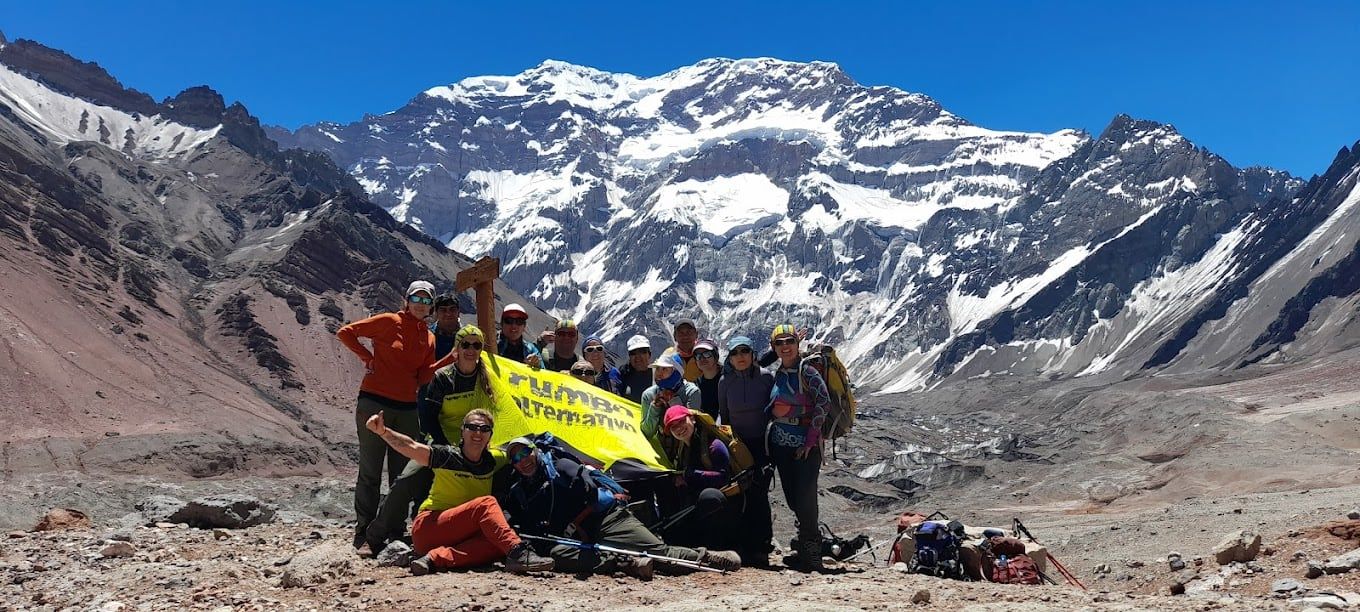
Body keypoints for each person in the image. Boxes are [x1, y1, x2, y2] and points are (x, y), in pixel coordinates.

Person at [494, 436, 741, 578]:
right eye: (515, 458)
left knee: (658, 551)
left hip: (608, 518)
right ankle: (626, 563)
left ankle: (707, 557)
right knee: (557, 555)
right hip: (576, 537)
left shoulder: (559, 466)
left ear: (535, 451)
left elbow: (579, 474)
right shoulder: (520, 493)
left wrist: (586, 482)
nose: (522, 460)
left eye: (525, 452)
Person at [336, 280, 455, 551]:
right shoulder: (389, 321)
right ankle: (364, 529)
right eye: (417, 298)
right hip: (374, 403)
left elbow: (423, 376)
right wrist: (368, 358)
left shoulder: (429, 337)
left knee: (401, 474)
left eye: (426, 301)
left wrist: (448, 360)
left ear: (431, 307)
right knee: (371, 469)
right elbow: (346, 332)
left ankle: (394, 527)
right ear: (407, 299)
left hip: (406, 408)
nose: (421, 304)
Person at [362, 408, 554, 575]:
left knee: (498, 542)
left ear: (490, 435)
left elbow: (520, 453)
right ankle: (519, 553)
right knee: (486, 504)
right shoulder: (445, 456)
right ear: (462, 431)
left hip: (461, 535)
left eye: (484, 429)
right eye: (472, 427)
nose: (478, 432)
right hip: (429, 527)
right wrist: (384, 432)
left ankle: (435, 558)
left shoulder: (494, 460)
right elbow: (412, 447)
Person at [366, 324, 490, 552]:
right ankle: (375, 536)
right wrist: (449, 449)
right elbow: (429, 418)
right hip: (444, 444)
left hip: (479, 445)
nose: (470, 350)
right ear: (457, 347)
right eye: (465, 344)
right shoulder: (443, 378)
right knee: (407, 479)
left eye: (476, 345)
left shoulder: (489, 379)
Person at [766, 324, 830, 572]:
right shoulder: (779, 372)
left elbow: (823, 402)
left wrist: (810, 440)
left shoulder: (808, 371)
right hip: (781, 444)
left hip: (806, 446)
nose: (785, 346)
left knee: (805, 499)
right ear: (774, 348)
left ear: (797, 343)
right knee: (793, 497)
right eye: (779, 343)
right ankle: (804, 547)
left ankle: (812, 554)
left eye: (789, 341)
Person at [716, 335, 776, 566]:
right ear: (729, 358)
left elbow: (773, 409)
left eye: (744, 352)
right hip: (738, 445)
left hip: (762, 443)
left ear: (752, 355)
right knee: (739, 493)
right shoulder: (725, 382)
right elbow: (725, 414)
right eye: (735, 353)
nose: (740, 357)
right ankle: (743, 544)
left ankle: (761, 547)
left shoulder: (765, 378)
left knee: (759, 494)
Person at [639, 348, 702, 441]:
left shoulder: (691, 392)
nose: (659, 373)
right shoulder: (649, 395)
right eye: (657, 369)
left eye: (664, 369)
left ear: (676, 372)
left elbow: (690, 428)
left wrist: (673, 401)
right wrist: (654, 407)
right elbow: (647, 432)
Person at [618, 335, 654, 403]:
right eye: (633, 353)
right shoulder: (623, 374)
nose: (638, 356)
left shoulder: (659, 374)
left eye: (642, 352)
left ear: (649, 354)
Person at [692, 338, 722, 419]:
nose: (702, 358)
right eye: (698, 356)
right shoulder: (695, 385)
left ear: (715, 356)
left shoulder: (729, 379)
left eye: (706, 354)